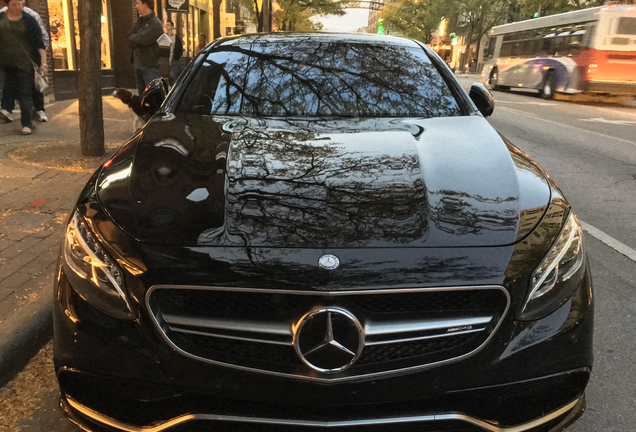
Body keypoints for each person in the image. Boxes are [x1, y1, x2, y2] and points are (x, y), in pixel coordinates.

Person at [0, 0, 46, 135]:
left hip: (24, 64)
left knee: (25, 93)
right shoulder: (1, 19)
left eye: (21, 3)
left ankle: (27, 123)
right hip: (4, 63)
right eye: (15, 4)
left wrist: (43, 63)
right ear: (7, 5)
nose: (19, 7)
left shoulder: (29, 20)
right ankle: (6, 110)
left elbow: (39, 43)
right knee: (5, 88)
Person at [127, 0, 163, 96]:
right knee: (142, 98)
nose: (136, 6)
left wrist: (136, 37)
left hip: (149, 66)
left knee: (152, 97)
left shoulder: (156, 23)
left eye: (138, 3)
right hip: (138, 65)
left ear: (145, 4)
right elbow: (129, 37)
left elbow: (142, 39)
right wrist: (136, 38)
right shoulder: (140, 21)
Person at [163, 20, 183, 85]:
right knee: (165, 78)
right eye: (166, 25)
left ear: (172, 27)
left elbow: (180, 49)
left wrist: (177, 57)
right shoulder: (164, 37)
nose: (166, 26)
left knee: (173, 78)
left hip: (174, 60)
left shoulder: (176, 38)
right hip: (165, 60)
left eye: (168, 25)